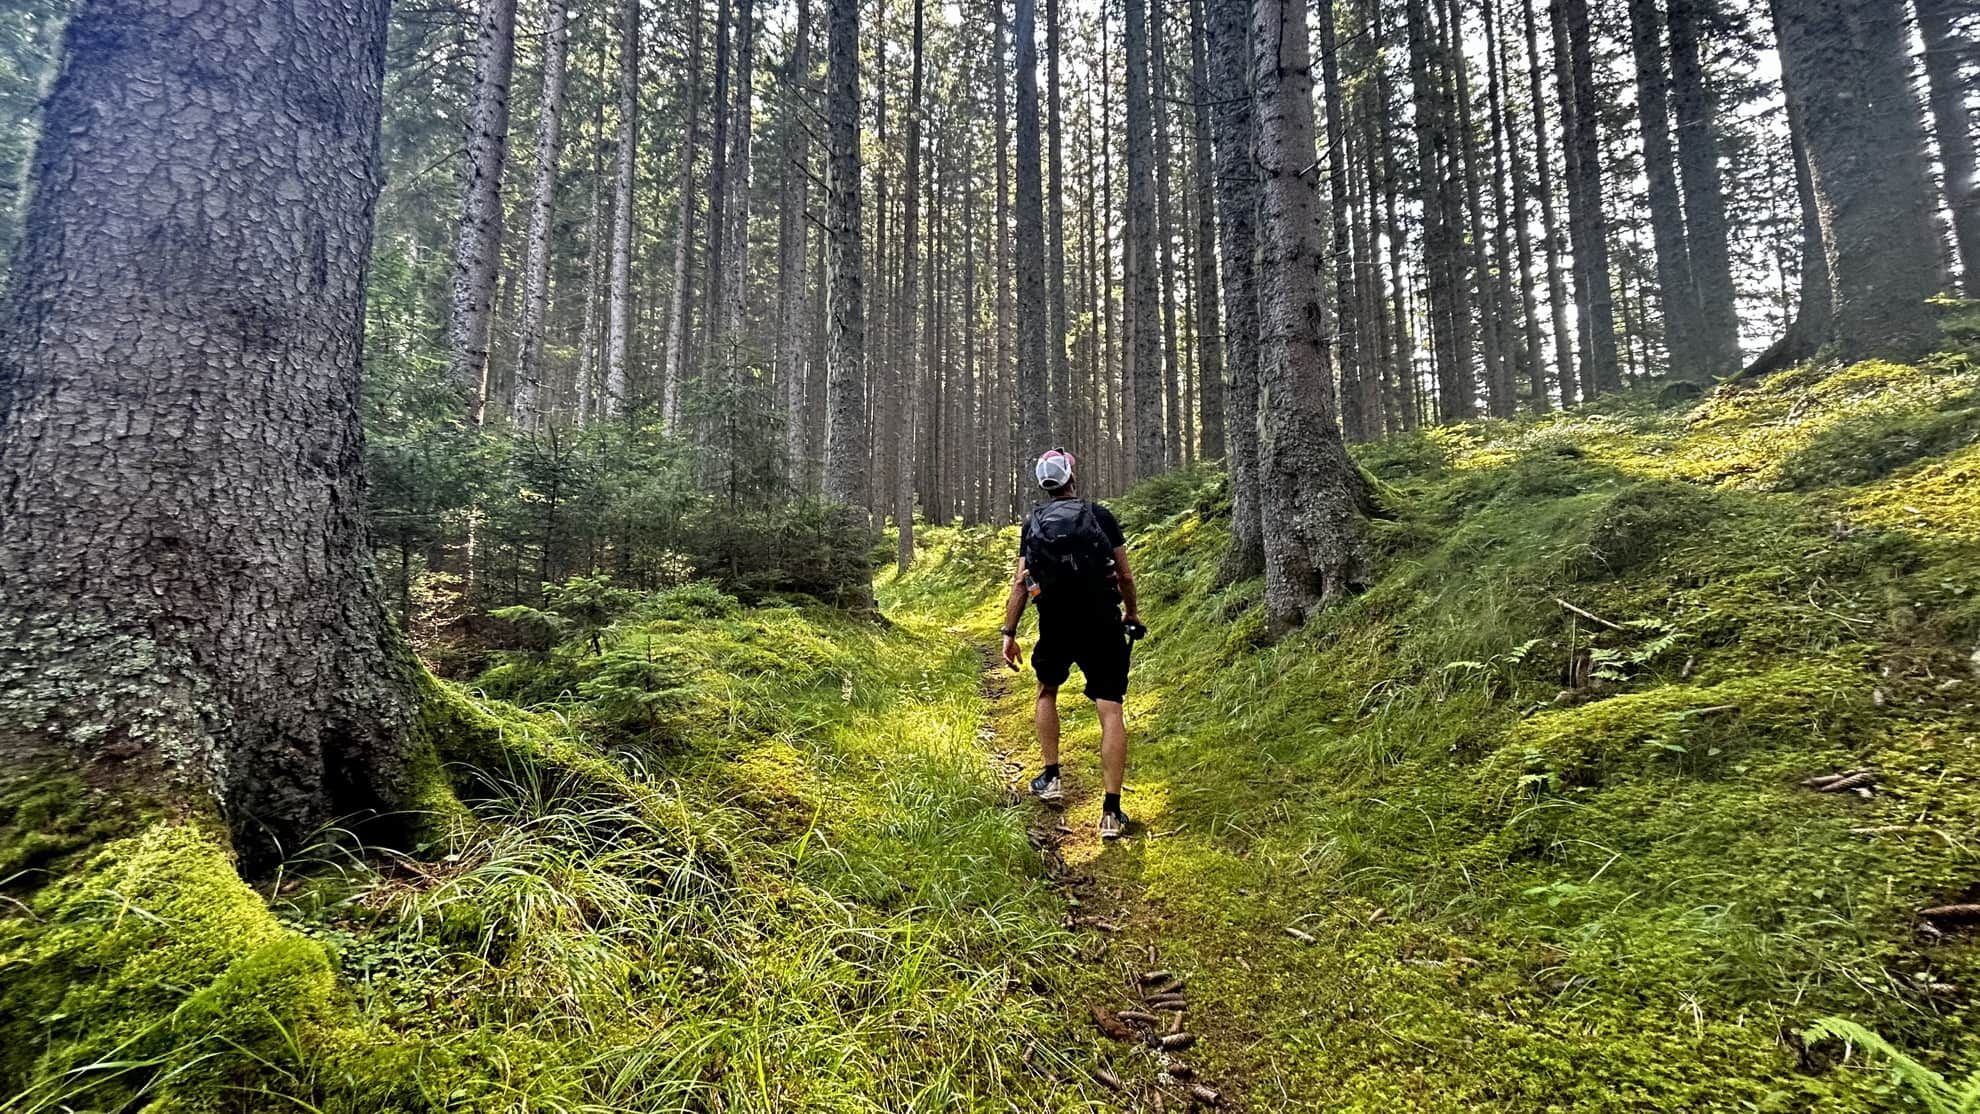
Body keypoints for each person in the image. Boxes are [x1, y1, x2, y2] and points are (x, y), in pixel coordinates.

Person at [1000, 449, 1144, 839]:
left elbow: (1020, 583)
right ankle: (1111, 813)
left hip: (1055, 622)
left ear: (1044, 485)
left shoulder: (1033, 523)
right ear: (1071, 479)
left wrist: (1009, 632)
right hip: (1102, 620)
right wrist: (1131, 613)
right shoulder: (1100, 516)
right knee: (1110, 708)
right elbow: (1126, 577)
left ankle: (1052, 777)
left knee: (1047, 691)